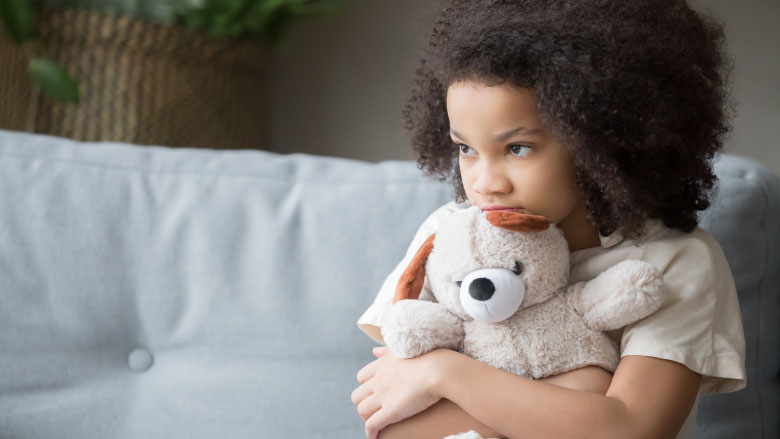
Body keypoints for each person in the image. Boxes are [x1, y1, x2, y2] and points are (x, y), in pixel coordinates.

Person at [351, 1, 747, 438]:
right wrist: (583, 391)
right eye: (466, 148)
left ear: (601, 140)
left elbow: (632, 429)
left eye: (517, 148)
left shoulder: (675, 262)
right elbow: (391, 425)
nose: (485, 183)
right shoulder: (447, 236)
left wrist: (446, 374)